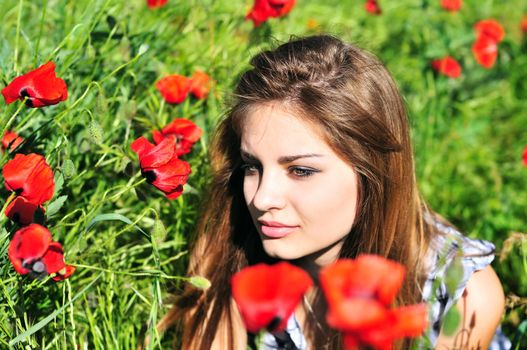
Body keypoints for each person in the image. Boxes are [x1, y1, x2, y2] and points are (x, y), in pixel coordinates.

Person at [159, 34, 508, 350]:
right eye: (253, 166)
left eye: (301, 170)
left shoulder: (458, 296)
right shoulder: (232, 241)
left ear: (372, 173)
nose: (262, 199)